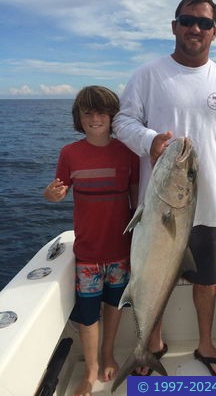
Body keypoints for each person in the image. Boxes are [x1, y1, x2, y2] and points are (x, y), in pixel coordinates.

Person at [113, 0, 216, 377]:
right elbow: (122, 122)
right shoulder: (148, 75)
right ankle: (152, 344)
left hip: (207, 204)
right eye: (188, 20)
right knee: (153, 276)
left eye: (204, 23)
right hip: (158, 209)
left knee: (207, 282)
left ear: (215, 32)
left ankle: (206, 344)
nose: (195, 28)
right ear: (174, 25)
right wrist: (150, 142)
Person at [44, 86, 139, 396]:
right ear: (78, 118)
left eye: (102, 113)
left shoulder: (128, 152)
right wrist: (52, 194)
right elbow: (56, 191)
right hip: (87, 254)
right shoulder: (69, 153)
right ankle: (91, 370)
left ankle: (108, 353)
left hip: (121, 252)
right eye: (88, 113)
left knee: (114, 307)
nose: (95, 119)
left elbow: (137, 200)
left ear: (114, 117)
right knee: (88, 314)